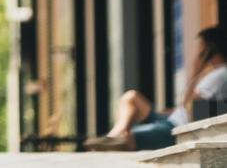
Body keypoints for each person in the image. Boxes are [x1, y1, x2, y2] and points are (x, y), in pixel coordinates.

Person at [83, 25, 227, 151]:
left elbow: (191, 106)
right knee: (131, 97)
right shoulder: (215, 73)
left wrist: (195, 72)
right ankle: (117, 133)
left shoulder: (219, 74)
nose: (197, 52)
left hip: (175, 128)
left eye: (200, 47)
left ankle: (118, 136)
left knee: (128, 139)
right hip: (172, 118)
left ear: (210, 49)